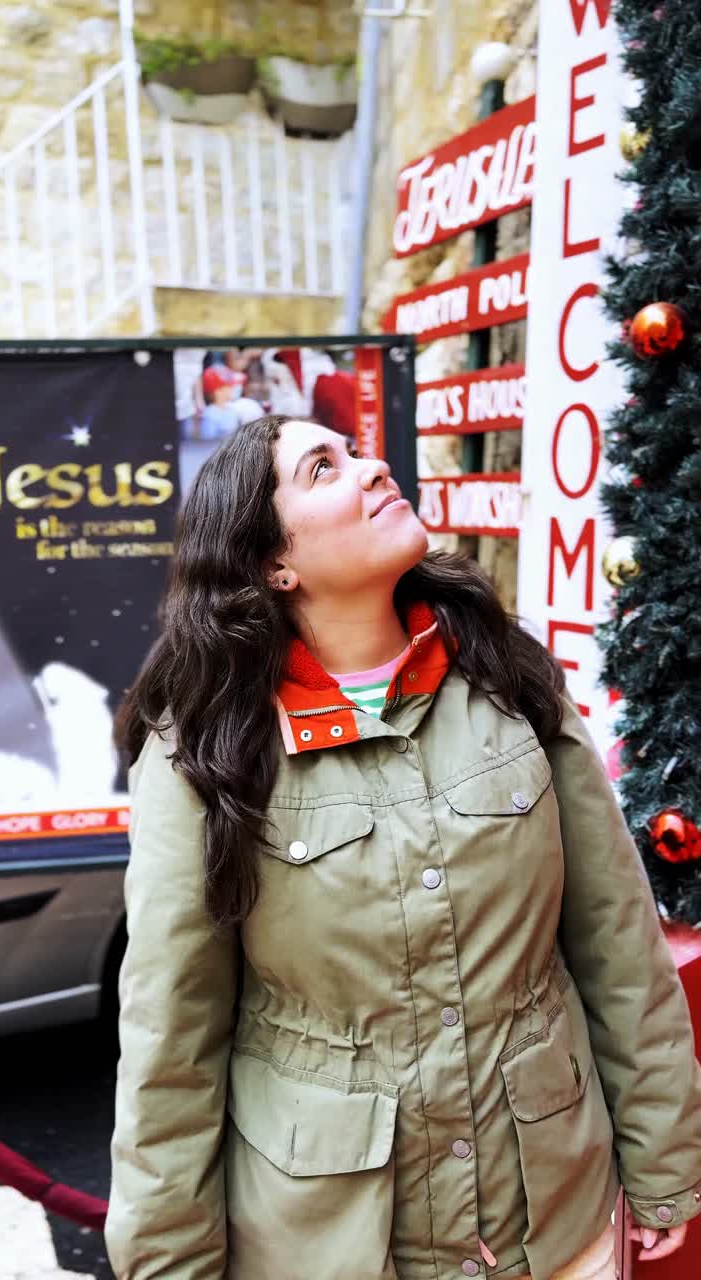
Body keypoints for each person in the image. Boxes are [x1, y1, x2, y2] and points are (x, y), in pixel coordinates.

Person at [106, 414, 701, 1280]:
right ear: (274, 563)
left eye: (356, 451)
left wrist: (665, 1162)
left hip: (552, 1217)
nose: (372, 467)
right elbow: (172, 1041)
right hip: (328, 1243)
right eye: (323, 468)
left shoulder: (505, 677)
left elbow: (616, 940)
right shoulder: (205, 751)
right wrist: (169, 1264)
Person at [197, 364, 264, 441]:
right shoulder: (209, 415)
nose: (233, 389)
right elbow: (207, 442)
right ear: (218, 391)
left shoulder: (232, 410)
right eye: (229, 386)